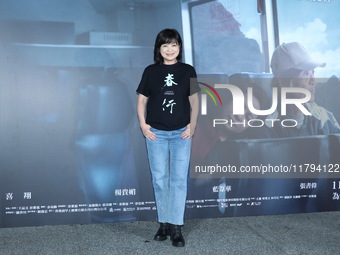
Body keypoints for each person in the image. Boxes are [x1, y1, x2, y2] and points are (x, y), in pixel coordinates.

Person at [136, 28, 199, 247]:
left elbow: (195, 100)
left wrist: (193, 125)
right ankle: (163, 223)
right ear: (159, 49)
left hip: (182, 133)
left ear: (179, 47)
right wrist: (143, 125)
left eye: (173, 44)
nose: (169, 49)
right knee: (160, 180)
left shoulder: (188, 70)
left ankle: (177, 227)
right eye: (165, 45)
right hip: (156, 135)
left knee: (179, 181)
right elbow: (142, 100)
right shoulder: (150, 71)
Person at [251, 42, 340, 138]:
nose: (313, 80)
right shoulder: (268, 126)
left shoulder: (324, 118)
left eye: (313, 72)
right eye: (306, 73)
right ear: (282, 82)